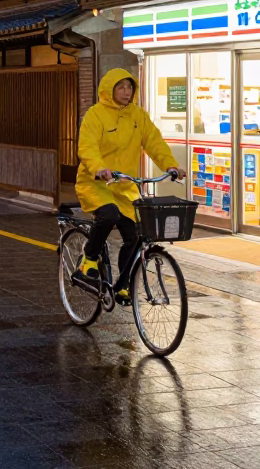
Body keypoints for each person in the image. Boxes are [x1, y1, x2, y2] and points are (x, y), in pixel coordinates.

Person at [74, 68, 186, 304]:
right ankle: (89, 259)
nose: (126, 92)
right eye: (120, 87)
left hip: (125, 186)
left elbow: (154, 142)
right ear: (109, 90)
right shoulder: (95, 115)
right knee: (108, 215)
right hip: (97, 183)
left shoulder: (138, 115)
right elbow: (87, 147)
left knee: (135, 235)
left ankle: (122, 286)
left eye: (129, 87)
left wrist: (171, 166)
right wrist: (98, 168)